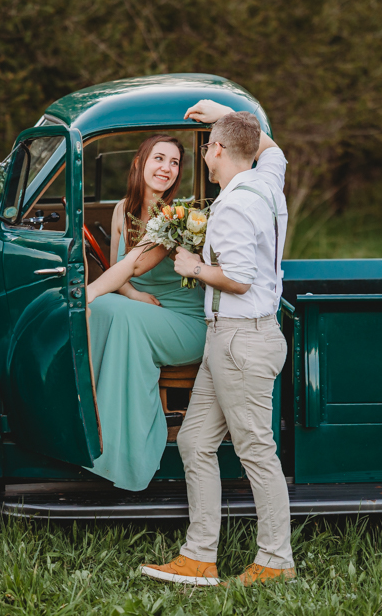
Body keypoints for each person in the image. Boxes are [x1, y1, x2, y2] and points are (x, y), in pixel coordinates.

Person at [141, 100, 294, 587]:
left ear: (220, 150)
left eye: (208, 146)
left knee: (256, 452)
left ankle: (276, 561)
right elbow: (274, 151)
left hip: (239, 342)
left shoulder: (233, 205)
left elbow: (240, 280)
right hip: (231, 339)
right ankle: (199, 556)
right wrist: (229, 115)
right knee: (194, 441)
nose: (204, 154)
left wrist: (195, 267)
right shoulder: (267, 181)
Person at [84, 134, 207, 492]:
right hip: (143, 309)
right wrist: (134, 295)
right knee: (105, 308)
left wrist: (89, 292)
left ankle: (127, 451)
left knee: (109, 309)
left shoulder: (176, 217)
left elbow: (134, 265)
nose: (166, 168)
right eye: (159, 158)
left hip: (185, 321)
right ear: (140, 163)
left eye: (174, 162)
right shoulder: (122, 209)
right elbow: (119, 272)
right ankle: (95, 427)